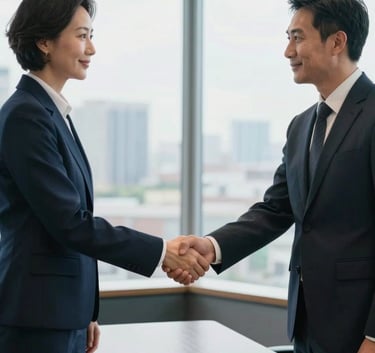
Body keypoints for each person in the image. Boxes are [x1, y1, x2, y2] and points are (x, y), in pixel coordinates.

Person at [0, 1, 209, 352]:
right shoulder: (26, 115)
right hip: (35, 316)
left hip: (59, 312)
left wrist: (85, 311)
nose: (91, 49)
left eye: (91, 36)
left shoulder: (51, 112)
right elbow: (69, 223)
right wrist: (162, 251)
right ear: (44, 42)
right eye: (82, 36)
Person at [168, 0, 375, 352]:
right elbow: (275, 210)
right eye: (288, 37)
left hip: (359, 329)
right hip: (306, 323)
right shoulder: (301, 125)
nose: (287, 51)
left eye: (298, 37)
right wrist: (211, 246)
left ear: (337, 42)